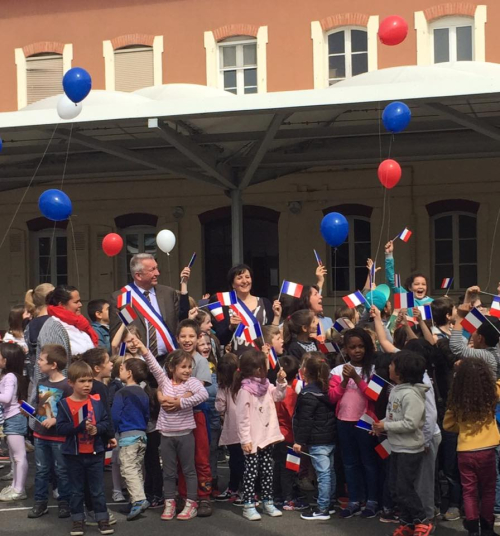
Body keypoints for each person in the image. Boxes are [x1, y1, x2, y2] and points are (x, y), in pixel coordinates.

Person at [137, 337, 209, 521]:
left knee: (188, 470)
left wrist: (181, 402)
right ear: (171, 368)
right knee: (168, 472)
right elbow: (153, 364)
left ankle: (191, 503)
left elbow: (204, 394)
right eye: (183, 367)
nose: (187, 371)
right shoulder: (164, 382)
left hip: (185, 435)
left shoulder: (192, 383)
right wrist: (143, 349)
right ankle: (170, 503)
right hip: (166, 435)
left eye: (189, 367)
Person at [373, 350, 433, 536]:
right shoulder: (397, 390)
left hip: (409, 448)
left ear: (399, 372)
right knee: (395, 488)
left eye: (392, 364)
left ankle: (422, 520)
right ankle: (408, 522)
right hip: (397, 446)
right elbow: (394, 415)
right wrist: (380, 425)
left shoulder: (411, 394)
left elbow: (411, 423)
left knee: (404, 489)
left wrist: (387, 425)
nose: (388, 367)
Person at [161, 319, 213, 516]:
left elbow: (196, 389)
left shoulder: (200, 361)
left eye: (191, 336)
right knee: (181, 460)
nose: (187, 340)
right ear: (177, 338)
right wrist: (161, 397)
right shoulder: (172, 359)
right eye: (183, 336)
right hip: (174, 419)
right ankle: (185, 495)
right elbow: (162, 383)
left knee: (200, 457)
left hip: (196, 414)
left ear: (198, 337)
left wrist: (177, 400)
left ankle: (204, 495)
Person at [56, 361, 114, 536]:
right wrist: (78, 427)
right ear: (71, 383)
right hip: (74, 454)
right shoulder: (64, 404)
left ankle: (102, 519)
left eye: (89, 381)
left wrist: (98, 429)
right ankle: (77, 520)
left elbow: (105, 421)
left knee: (97, 489)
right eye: (82, 381)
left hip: (95, 452)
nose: (87, 385)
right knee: (76, 490)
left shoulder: (96, 402)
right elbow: (61, 428)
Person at [444, 358, 500, 536]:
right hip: (488, 450)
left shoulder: (457, 400)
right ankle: (487, 527)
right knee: (489, 489)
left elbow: (447, 425)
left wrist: (462, 427)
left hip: (465, 451)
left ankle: (473, 527)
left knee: (469, 491)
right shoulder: (492, 393)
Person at [328, 328, 380, 518]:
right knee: (350, 463)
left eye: (361, 346)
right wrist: (344, 381)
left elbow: (374, 396)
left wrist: (357, 378)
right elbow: (332, 397)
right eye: (352, 347)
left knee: (368, 462)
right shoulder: (336, 371)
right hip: (344, 421)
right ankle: (354, 500)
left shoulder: (374, 369)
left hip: (365, 422)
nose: (357, 351)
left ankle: (372, 500)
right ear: (346, 350)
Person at [233, 348, 287, 521]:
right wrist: (245, 440)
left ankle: (267, 501)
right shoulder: (245, 391)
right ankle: (249, 504)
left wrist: (280, 381)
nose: (264, 370)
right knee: (251, 472)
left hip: (267, 436)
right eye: (262, 367)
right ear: (253, 369)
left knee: (267, 471)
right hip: (252, 439)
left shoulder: (267, 385)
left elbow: (279, 396)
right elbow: (242, 418)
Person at [109, 254, 182, 362]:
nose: (157, 273)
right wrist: (123, 361)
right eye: (152, 270)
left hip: (168, 360)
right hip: (137, 362)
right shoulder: (123, 297)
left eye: (157, 268)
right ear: (138, 275)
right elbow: (119, 336)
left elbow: (179, 323)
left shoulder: (168, 294)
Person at [28, 344, 72, 519]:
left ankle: (65, 502)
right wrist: (30, 411)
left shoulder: (67, 385)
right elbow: (41, 410)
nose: (38, 362)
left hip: (59, 436)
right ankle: (40, 503)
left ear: (53, 364)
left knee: (62, 470)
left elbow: (71, 410)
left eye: (41, 359)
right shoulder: (41, 383)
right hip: (41, 434)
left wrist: (55, 419)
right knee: (41, 470)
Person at [294, 354, 336, 521]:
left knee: (323, 474)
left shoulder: (308, 395)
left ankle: (322, 508)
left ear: (306, 372)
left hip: (317, 441)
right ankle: (330, 502)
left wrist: (299, 441)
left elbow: (305, 420)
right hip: (330, 437)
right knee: (330, 472)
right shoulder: (328, 392)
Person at [35, 285, 98, 389]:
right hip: (67, 391)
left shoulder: (79, 323)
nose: (80, 305)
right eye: (76, 302)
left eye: (80, 301)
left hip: (85, 387)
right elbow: (54, 366)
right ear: (62, 305)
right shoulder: (53, 327)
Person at [111, 358, 150, 521]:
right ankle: (134, 498)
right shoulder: (143, 393)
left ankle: (139, 499)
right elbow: (147, 414)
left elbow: (115, 414)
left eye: (122, 368)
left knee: (128, 468)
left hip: (127, 436)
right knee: (137, 468)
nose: (119, 370)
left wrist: (112, 432)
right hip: (142, 435)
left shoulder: (122, 392)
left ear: (129, 373)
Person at [213, 264, 280, 350]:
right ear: (233, 284)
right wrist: (230, 327)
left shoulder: (265, 303)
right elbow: (220, 338)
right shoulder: (225, 305)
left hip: (262, 356)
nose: (244, 281)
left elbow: (272, 333)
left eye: (247, 277)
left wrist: (277, 316)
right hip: (238, 357)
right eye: (239, 278)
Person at [273, 354, 307, 511]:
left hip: (275, 433)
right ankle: (289, 498)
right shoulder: (291, 394)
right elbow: (294, 417)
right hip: (289, 435)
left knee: (278, 466)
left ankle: (278, 495)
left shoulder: (273, 391)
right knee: (289, 468)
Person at [0, 343, 28, 501]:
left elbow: (6, 398)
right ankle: (16, 485)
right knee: (15, 455)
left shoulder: (10, 377)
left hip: (14, 418)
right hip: (13, 418)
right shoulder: (9, 376)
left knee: (18, 456)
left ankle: (19, 489)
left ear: (6, 359)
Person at [215, 353, 244, 504]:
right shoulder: (246, 385)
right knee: (243, 461)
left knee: (235, 461)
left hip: (233, 429)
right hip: (246, 430)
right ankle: (239, 489)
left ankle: (237, 489)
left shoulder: (224, 387)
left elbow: (219, 407)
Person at [450, 291, 500, 378]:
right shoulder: (496, 348)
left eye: (474, 331)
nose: (471, 331)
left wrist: (460, 316)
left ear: (480, 338)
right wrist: (468, 296)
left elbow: (456, 346)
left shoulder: (486, 355)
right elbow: (469, 325)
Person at [384, 241, 433, 306]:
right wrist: (389, 255)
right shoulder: (406, 298)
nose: (420, 286)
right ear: (410, 287)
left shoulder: (432, 302)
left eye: (424, 284)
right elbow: (392, 280)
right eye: (417, 284)